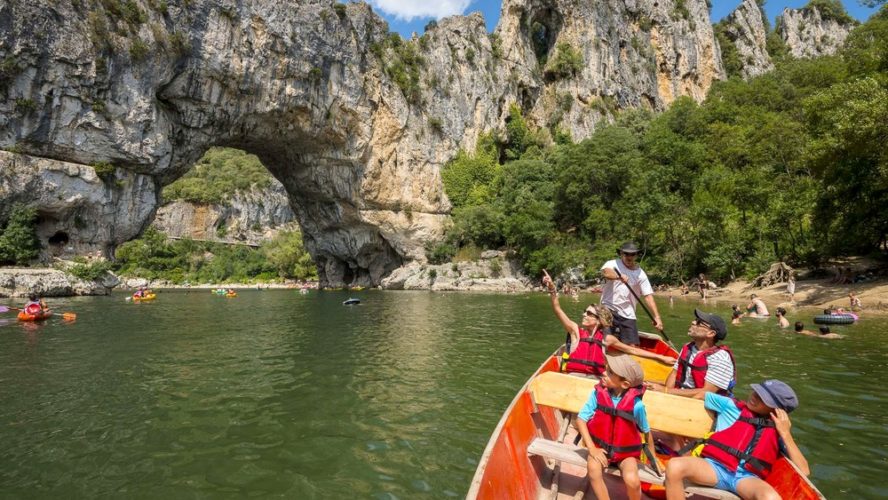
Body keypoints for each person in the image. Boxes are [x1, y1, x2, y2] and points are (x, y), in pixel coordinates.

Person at [664, 380, 810, 500]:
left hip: (746, 479)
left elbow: (804, 471)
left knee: (770, 497)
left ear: (777, 410)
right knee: (675, 466)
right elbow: (702, 394)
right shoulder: (730, 405)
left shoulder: (778, 430)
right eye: (756, 392)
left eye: (762, 398)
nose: (754, 397)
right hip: (714, 468)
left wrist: (785, 433)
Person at [542, 270, 675, 376]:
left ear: (599, 320)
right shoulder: (575, 331)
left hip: (595, 381)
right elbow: (557, 309)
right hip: (573, 376)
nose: (584, 315)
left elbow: (633, 350)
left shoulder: (608, 339)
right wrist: (552, 288)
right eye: (585, 312)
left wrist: (661, 358)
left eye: (589, 313)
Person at [575, 354, 661, 500]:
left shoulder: (637, 405)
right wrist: (592, 448)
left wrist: (654, 459)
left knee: (632, 480)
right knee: (594, 471)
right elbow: (581, 420)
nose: (603, 373)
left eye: (610, 373)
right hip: (599, 447)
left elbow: (646, 432)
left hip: (625, 453)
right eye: (606, 369)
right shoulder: (597, 394)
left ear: (625, 384)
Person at [649, 309, 736, 398]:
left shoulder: (720, 358)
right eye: (695, 320)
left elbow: (706, 393)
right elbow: (674, 374)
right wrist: (665, 394)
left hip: (701, 403)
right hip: (678, 395)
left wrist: (666, 391)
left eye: (699, 322)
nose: (693, 322)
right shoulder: (688, 347)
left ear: (711, 333)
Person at [600, 242, 663, 346]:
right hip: (608, 308)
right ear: (621, 253)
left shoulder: (640, 274)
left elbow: (648, 296)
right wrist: (618, 277)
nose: (629, 257)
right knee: (605, 341)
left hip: (628, 312)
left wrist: (657, 317)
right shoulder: (612, 263)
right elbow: (606, 273)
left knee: (633, 346)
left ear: (636, 255)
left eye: (632, 254)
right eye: (626, 254)